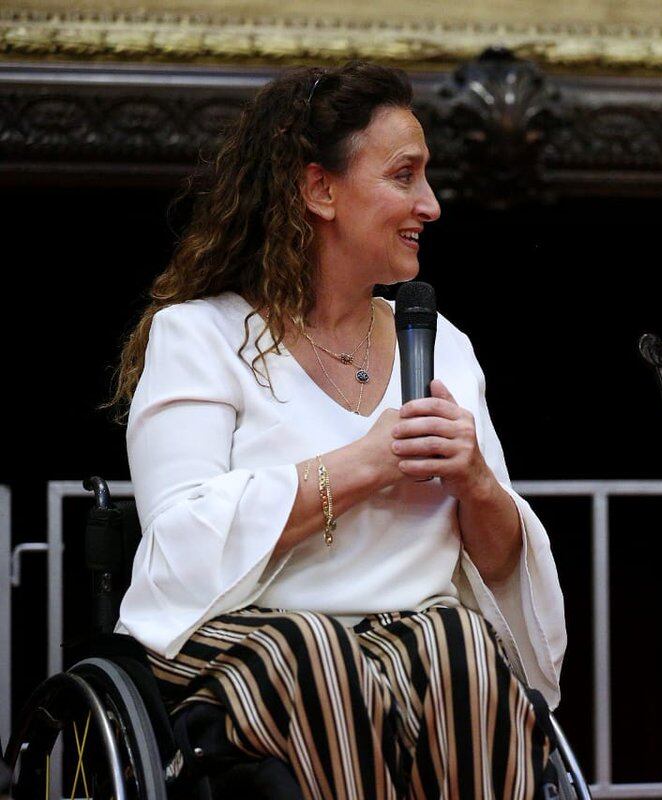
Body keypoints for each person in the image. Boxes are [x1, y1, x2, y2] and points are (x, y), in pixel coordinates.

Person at [110, 61, 566, 799]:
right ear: (319, 189)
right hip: (248, 641)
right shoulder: (198, 336)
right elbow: (181, 550)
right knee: (318, 649)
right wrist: (363, 464)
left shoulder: (442, 343)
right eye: (405, 176)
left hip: (413, 638)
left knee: (464, 645)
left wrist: (477, 481)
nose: (432, 204)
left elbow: (502, 563)